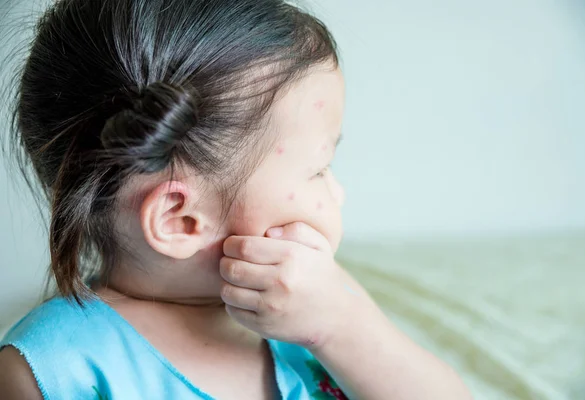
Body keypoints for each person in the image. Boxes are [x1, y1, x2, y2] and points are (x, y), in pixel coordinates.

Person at [0, 0, 472, 399]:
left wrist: (342, 330)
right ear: (182, 220)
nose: (338, 191)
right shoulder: (52, 369)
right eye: (318, 170)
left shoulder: (323, 299)